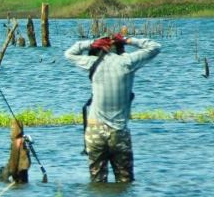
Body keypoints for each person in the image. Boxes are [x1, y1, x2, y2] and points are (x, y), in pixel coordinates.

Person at [63, 32, 161, 182]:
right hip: (119, 132)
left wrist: (90, 43)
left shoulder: (92, 62)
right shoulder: (128, 62)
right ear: (121, 48)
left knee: (97, 182)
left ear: (100, 49)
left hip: (94, 132)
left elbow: (69, 53)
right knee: (125, 181)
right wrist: (128, 40)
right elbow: (154, 47)